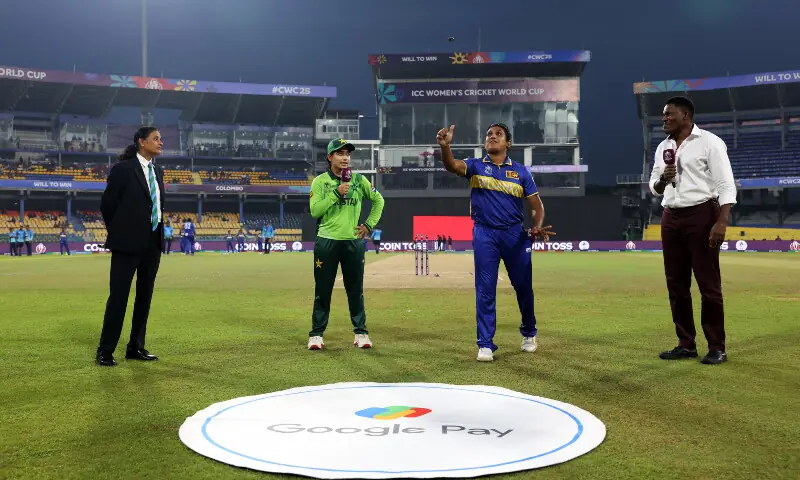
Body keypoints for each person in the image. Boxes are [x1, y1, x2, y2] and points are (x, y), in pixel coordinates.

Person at [437, 123, 554, 362]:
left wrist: (537, 225)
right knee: (485, 289)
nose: (492, 137)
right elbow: (451, 165)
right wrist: (445, 147)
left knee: (523, 288)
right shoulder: (475, 166)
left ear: (508, 143)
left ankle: (529, 332)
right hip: (485, 234)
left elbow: (537, 206)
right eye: (489, 134)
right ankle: (485, 344)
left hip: (515, 235)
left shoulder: (521, 172)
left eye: (498, 134)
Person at [649, 96, 737, 365]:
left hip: (702, 214)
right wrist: (664, 178)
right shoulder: (663, 147)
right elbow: (654, 186)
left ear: (685, 115)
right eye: (663, 114)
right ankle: (686, 343)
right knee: (676, 284)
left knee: (708, 285)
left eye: (669, 114)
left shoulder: (709, 142)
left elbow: (726, 184)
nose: (664, 118)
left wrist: (721, 221)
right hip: (670, 216)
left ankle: (717, 347)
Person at [96, 126, 166, 367]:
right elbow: (107, 205)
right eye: (155, 138)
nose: (160, 142)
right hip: (127, 243)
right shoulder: (123, 169)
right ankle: (105, 350)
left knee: (144, 297)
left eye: (161, 139)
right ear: (141, 142)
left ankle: (136, 346)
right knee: (119, 297)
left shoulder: (158, 171)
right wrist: (120, 232)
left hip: (153, 243)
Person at [307, 138, 385, 350]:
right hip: (327, 241)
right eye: (340, 154)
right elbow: (315, 211)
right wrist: (336, 193)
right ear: (330, 157)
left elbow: (379, 200)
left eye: (347, 154)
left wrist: (368, 225)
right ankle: (316, 335)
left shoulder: (359, 180)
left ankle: (361, 333)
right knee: (323, 290)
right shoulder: (320, 182)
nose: (345, 158)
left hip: (353, 242)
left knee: (355, 290)